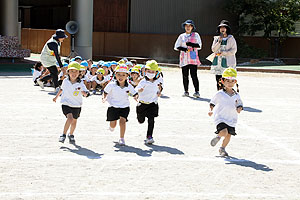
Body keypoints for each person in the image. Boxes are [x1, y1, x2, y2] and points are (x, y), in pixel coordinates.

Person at [208, 68, 243, 157]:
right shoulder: (220, 94)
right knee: (224, 132)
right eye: (228, 81)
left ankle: (222, 148)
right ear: (223, 81)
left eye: (232, 81)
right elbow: (212, 102)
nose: (230, 83)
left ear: (235, 82)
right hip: (220, 117)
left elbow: (239, 103)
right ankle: (218, 137)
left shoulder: (236, 95)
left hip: (231, 118)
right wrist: (210, 110)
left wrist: (239, 108)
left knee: (228, 136)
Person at [53, 62, 90, 144]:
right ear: (68, 72)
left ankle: (71, 134)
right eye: (71, 71)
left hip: (77, 105)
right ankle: (63, 135)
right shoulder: (65, 81)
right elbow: (61, 89)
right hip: (66, 103)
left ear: (79, 73)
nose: (74, 73)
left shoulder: (80, 83)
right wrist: (56, 97)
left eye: (76, 71)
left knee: (74, 121)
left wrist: (85, 94)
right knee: (69, 118)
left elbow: (85, 92)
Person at [102, 65, 138, 146]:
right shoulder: (111, 85)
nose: (121, 77)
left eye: (123, 75)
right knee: (113, 124)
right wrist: (104, 98)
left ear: (127, 76)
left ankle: (121, 138)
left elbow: (135, 93)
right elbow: (105, 92)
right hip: (113, 107)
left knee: (122, 121)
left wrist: (136, 97)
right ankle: (111, 127)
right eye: (119, 74)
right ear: (115, 75)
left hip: (124, 107)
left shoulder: (129, 86)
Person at [135, 60, 162, 144]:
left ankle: (149, 136)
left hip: (153, 104)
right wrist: (139, 90)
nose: (150, 73)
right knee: (141, 120)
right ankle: (139, 117)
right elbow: (136, 89)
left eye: (152, 71)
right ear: (145, 71)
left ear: (156, 72)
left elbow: (159, 90)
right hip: (142, 104)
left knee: (151, 120)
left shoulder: (157, 82)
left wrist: (159, 93)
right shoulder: (143, 81)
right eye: (149, 71)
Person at [174, 19, 202, 98]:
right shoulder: (181, 36)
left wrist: (191, 44)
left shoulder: (196, 35)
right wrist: (184, 49)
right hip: (184, 58)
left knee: (194, 75)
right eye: (186, 26)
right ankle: (186, 91)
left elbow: (199, 46)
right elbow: (176, 46)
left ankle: (197, 91)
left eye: (189, 26)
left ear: (192, 27)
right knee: (185, 75)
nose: (188, 27)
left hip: (193, 58)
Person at [210, 20, 237, 90]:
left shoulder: (231, 38)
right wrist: (219, 41)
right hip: (218, 62)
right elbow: (213, 49)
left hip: (227, 62)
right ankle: (219, 94)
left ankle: (227, 94)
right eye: (221, 27)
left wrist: (223, 53)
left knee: (227, 80)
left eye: (224, 27)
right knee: (218, 80)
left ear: (227, 29)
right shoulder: (216, 38)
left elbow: (234, 50)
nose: (222, 29)